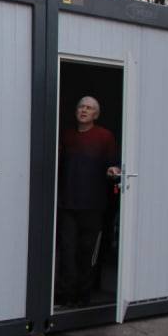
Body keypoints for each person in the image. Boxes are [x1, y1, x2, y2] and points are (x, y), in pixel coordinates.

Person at [55, 96, 121, 308]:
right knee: (67, 251)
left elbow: (112, 164)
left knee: (87, 252)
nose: (84, 110)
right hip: (67, 204)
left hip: (93, 206)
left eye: (89, 108)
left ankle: (83, 296)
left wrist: (114, 170)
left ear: (96, 114)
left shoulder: (104, 137)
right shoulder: (66, 135)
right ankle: (66, 295)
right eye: (81, 106)